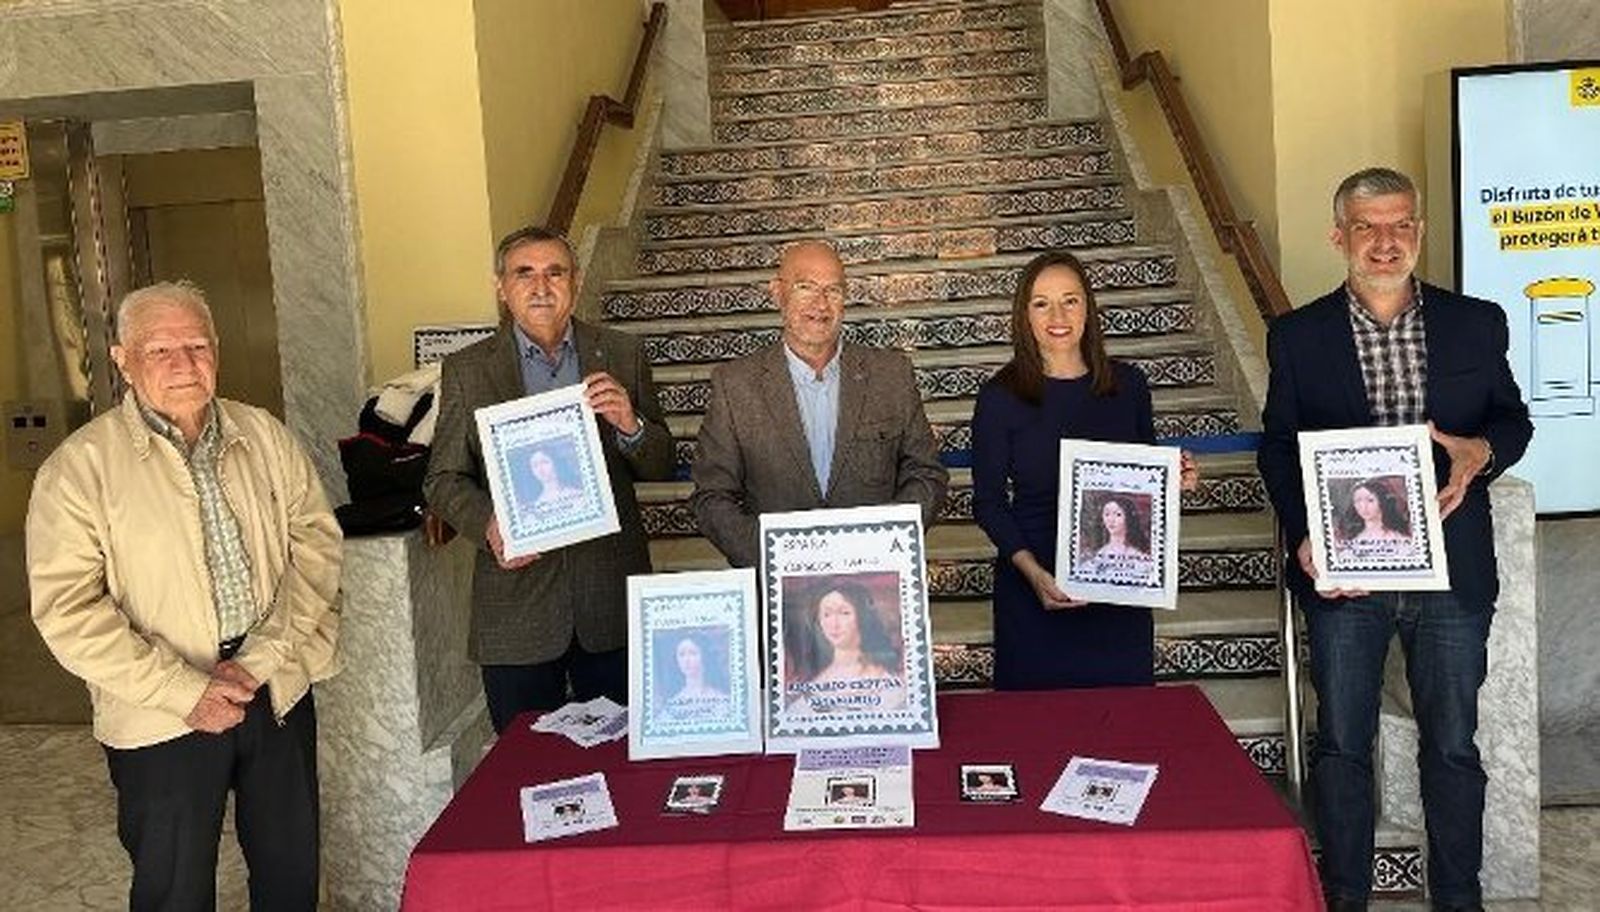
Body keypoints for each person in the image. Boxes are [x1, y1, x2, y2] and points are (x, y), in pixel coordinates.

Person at [1256, 167, 1532, 912]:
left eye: (1402, 225)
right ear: (1338, 236)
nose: (1387, 242)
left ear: (1419, 231)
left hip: (1453, 574)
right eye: (1369, 227)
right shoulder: (1298, 335)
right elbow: (1279, 446)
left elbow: (1512, 419)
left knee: (1452, 747)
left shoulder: (1476, 321)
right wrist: (1306, 536)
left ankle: (1458, 898)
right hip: (1348, 574)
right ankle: (1345, 897)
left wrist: (1485, 451)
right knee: (1343, 745)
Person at [26, 281, 341, 911]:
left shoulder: (264, 436)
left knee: (290, 871)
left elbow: (317, 547)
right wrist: (183, 691)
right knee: (174, 887)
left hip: (272, 688)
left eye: (196, 345)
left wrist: (261, 658)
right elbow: (68, 610)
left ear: (217, 351)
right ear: (121, 359)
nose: (182, 364)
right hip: (158, 710)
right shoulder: (79, 468)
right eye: (159, 350)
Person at [425, 225, 676, 734]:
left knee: (621, 760)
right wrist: (490, 523)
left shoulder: (623, 353)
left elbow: (661, 464)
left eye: (554, 272)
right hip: (517, 612)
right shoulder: (468, 371)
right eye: (524, 273)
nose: (541, 286)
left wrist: (632, 425)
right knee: (523, 768)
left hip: (609, 604)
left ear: (575, 282)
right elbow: (443, 479)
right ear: (501, 287)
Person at [971, 251, 1198, 690]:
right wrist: (1034, 573)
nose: (1057, 315)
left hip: (1118, 592)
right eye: (1041, 303)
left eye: (1070, 300)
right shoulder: (999, 397)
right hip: (1034, 588)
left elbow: (1142, 484)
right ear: (1024, 314)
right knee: (1037, 735)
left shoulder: (1129, 385)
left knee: (1123, 734)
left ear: (1088, 309)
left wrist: (1175, 478)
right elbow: (989, 502)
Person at [689, 240, 948, 568]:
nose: (821, 304)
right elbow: (711, 496)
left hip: (873, 579)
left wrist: (884, 545)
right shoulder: (734, 385)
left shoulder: (891, 375)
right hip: (777, 589)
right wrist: (777, 560)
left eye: (833, 290)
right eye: (805, 287)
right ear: (777, 293)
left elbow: (926, 475)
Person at [786, 579, 907, 714]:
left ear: (863, 616)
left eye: (844, 613)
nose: (834, 624)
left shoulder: (886, 678)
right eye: (826, 614)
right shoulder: (810, 678)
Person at [661, 634, 730, 721]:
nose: (686, 660)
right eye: (681, 654)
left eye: (693, 653)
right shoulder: (672, 706)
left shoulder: (722, 700)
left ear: (705, 657)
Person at [1337, 478, 1411, 543]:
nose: (1364, 507)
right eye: (1358, 501)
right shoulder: (1351, 539)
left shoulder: (1398, 538)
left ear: (1381, 502)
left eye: (1370, 500)